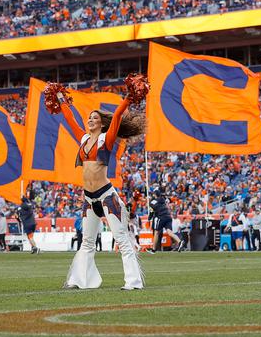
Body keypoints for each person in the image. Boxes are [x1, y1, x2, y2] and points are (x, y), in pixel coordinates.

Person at [56, 88, 144, 290]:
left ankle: (133, 282)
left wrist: (130, 96)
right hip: (88, 198)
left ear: (102, 123)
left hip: (106, 196)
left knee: (121, 239)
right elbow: (70, 118)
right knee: (86, 242)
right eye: (89, 117)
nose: (90, 120)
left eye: (94, 118)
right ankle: (79, 281)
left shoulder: (107, 138)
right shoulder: (83, 139)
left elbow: (119, 113)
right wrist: (60, 97)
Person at [148, 188, 184, 253]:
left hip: (161, 217)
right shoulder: (163, 199)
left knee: (156, 232)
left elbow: (151, 211)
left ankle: (153, 249)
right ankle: (180, 241)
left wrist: (149, 218)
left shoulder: (153, 201)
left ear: (155, 195)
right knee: (170, 232)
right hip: (168, 216)